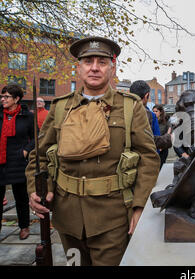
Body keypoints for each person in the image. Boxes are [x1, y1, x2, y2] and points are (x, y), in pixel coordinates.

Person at [25, 36, 160, 266]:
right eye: (88, 61)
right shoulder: (59, 107)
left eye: (102, 62)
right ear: (79, 67)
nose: (95, 67)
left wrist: (139, 206)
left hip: (113, 218)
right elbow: (38, 157)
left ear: (112, 67)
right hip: (68, 218)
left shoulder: (130, 106)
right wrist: (36, 191)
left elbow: (148, 158)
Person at [0, 84, 35, 240]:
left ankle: (24, 226)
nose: (3, 99)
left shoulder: (27, 116)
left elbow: (37, 137)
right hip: (1, 162)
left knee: (21, 198)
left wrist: (26, 150)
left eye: (6, 97)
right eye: (2, 96)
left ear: (17, 99)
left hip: (18, 162)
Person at [129, 80, 172, 164]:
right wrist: (168, 138)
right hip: (144, 161)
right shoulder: (151, 115)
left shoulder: (119, 111)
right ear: (147, 95)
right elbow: (154, 142)